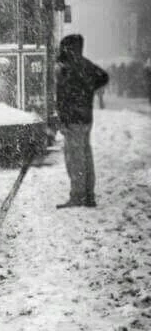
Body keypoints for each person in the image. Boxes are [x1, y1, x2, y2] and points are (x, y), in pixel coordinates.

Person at [55, 33, 109, 209]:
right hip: (85, 118)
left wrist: (64, 116)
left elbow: (62, 97)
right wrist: (87, 91)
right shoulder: (85, 65)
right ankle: (89, 195)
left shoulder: (67, 68)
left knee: (75, 159)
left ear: (67, 48)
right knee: (86, 156)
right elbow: (103, 76)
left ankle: (78, 196)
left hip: (73, 120)